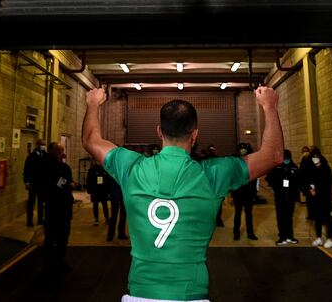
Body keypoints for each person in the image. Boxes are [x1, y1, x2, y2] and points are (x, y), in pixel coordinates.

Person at [81, 86, 284, 301]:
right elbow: (274, 155)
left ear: (159, 131)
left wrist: (93, 103)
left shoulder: (132, 168)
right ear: (195, 134)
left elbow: (91, 140)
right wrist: (269, 106)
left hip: (140, 294)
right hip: (191, 294)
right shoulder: (213, 175)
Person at [43, 142, 74, 273]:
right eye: (58, 150)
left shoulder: (65, 167)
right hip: (54, 206)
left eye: (61, 150)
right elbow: (55, 184)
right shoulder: (47, 166)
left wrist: (67, 183)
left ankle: (60, 260)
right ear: (52, 151)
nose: (60, 153)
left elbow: (67, 180)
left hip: (65, 206)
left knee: (63, 236)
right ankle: (49, 263)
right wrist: (66, 183)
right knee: (51, 236)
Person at [266, 149, 301, 245]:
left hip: (290, 197)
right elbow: (269, 178)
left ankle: (290, 236)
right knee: (281, 216)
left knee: (289, 216)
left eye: (287, 158)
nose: (286, 159)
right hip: (280, 197)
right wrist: (276, 188)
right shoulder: (277, 167)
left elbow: (299, 180)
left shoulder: (294, 168)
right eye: (284, 157)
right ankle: (282, 236)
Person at [306, 146, 332, 249]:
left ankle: (330, 239)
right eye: (313, 156)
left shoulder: (326, 168)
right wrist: (310, 188)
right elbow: (308, 180)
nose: (315, 158)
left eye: (316, 156)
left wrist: (317, 190)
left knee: (327, 218)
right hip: (315, 198)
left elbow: (328, 185)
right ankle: (319, 237)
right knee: (317, 218)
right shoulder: (311, 168)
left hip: (325, 198)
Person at [231, 142, 258, 240]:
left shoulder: (251, 161)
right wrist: (232, 191)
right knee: (237, 214)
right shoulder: (235, 162)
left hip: (249, 193)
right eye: (241, 149)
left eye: (244, 149)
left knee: (249, 214)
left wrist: (254, 191)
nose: (243, 150)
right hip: (238, 193)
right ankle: (236, 233)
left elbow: (255, 177)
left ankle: (250, 233)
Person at [23, 138, 48, 227]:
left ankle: (40, 219)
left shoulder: (46, 156)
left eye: (44, 145)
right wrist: (27, 182)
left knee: (41, 202)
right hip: (33, 183)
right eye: (42, 145)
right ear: (37, 145)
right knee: (31, 202)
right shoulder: (31, 157)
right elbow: (27, 171)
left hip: (42, 184)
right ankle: (29, 221)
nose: (43, 146)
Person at [87, 158, 110, 226]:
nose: (97, 162)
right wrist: (89, 190)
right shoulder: (91, 170)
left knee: (105, 204)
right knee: (95, 205)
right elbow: (89, 180)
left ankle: (107, 219)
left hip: (103, 190)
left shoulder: (105, 169)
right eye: (96, 160)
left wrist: (108, 190)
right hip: (95, 190)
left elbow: (108, 180)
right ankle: (96, 219)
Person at [106, 173, 128, 241]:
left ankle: (111, 235)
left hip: (117, 196)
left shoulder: (112, 171)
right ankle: (118, 234)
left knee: (116, 216)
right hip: (120, 196)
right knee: (118, 216)